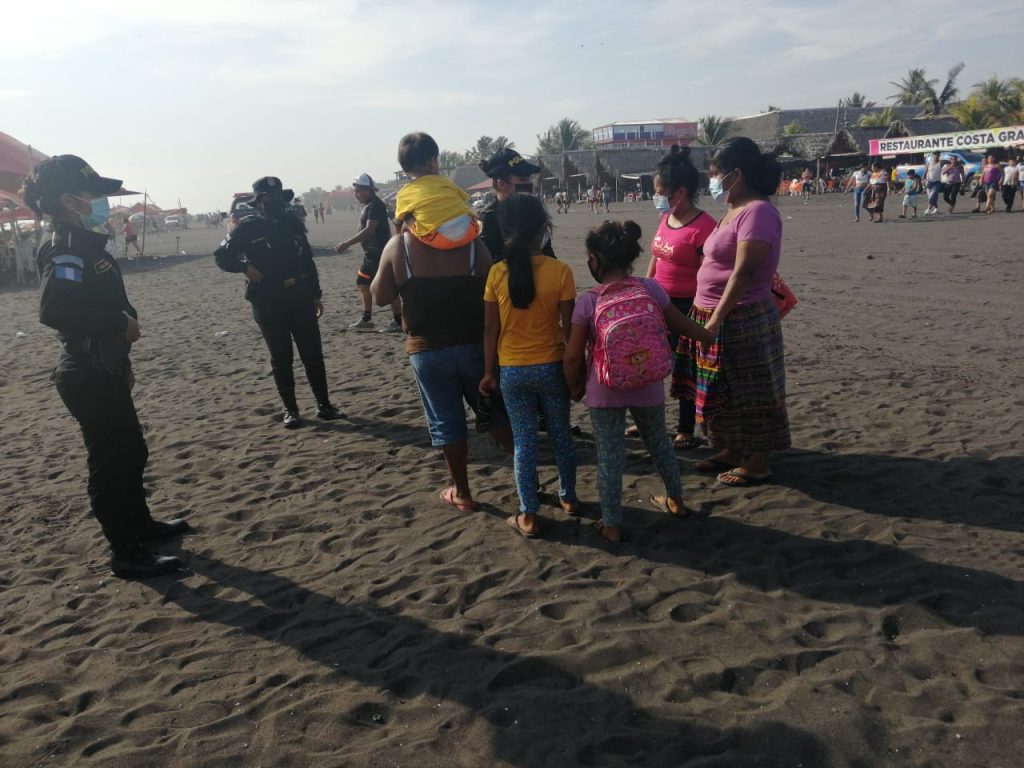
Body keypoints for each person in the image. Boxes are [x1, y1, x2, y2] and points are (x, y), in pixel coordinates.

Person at [24, 155, 186, 579]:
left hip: (105, 365)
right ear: (69, 200)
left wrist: (122, 359)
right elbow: (55, 309)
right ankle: (125, 553)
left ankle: (142, 527)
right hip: (86, 371)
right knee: (110, 463)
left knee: (132, 450)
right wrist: (117, 322)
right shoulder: (66, 247)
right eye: (93, 194)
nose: (102, 203)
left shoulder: (86, 243)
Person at [565, 221, 713, 543]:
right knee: (659, 443)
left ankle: (612, 524)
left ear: (594, 260)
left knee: (609, 457)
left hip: (605, 389)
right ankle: (676, 500)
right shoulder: (651, 288)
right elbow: (681, 325)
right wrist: (709, 335)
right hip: (648, 383)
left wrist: (574, 387)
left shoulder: (588, 301)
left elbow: (573, 356)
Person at [370, 203, 513, 513]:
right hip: (474, 345)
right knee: (493, 411)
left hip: (428, 349)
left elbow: (380, 296)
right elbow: (492, 289)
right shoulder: (474, 244)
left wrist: (395, 243)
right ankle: (526, 475)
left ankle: (462, 492)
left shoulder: (399, 245)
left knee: (446, 422)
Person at [671, 136, 791, 486]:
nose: (712, 179)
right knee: (720, 387)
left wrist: (716, 318)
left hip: (742, 316)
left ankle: (757, 461)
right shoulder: (733, 210)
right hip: (711, 312)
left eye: (715, 172)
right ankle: (731, 449)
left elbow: (744, 271)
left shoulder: (758, 212)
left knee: (752, 390)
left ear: (735, 175)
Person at [480, 194, 578, 538]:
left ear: (506, 230)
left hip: (512, 371)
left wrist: (489, 372)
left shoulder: (497, 273)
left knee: (523, 442)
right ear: (543, 228)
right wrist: (576, 370)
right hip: (552, 366)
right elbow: (569, 329)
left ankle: (529, 513)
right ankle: (568, 497)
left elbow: (490, 329)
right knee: (561, 434)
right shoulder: (560, 271)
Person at [215, 176, 345, 429]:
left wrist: (315, 294)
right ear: (259, 202)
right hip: (268, 300)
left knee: (313, 354)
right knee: (281, 357)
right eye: (268, 198)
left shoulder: (292, 224)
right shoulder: (247, 227)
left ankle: (324, 405)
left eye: (277, 197)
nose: (274, 202)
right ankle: (291, 410)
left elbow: (307, 261)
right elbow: (221, 256)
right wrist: (245, 267)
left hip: (299, 296)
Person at [638, 145, 716, 449]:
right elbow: (656, 257)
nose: (656, 198)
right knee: (650, 365)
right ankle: (648, 420)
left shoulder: (705, 227)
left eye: (661, 193)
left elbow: (709, 273)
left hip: (687, 308)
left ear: (680, 192)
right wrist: (645, 288)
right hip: (658, 303)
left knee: (685, 369)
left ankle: (685, 429)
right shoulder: (666, 218)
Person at [335, 174, 402, 332]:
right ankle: (366, 319)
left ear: (368, 190)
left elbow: (370, 230)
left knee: (388, 286)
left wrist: (347, 243)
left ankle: (399, 321)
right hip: (370, 256)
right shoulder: (368, 205)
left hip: (380, 254)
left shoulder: (376, 205)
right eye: (356, 191)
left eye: (358, 191)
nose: (356, 194)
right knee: (363, 283)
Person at [394, 132, 479, 250]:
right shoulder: (445, 181)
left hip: (438, 239)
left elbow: (397, 221)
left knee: (406, 219)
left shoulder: (404, 193)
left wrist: (398, 230)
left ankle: (402, 251)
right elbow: (463, 199)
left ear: (405, 169)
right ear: (432, 162)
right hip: (471, 230)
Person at [477, 148, 554, 261]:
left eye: (529, 179)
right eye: (522, 180)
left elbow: (548, 255)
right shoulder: (488, 218)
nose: (529, 184)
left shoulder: (533, 212)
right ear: (501, 184)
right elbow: (488, 263)